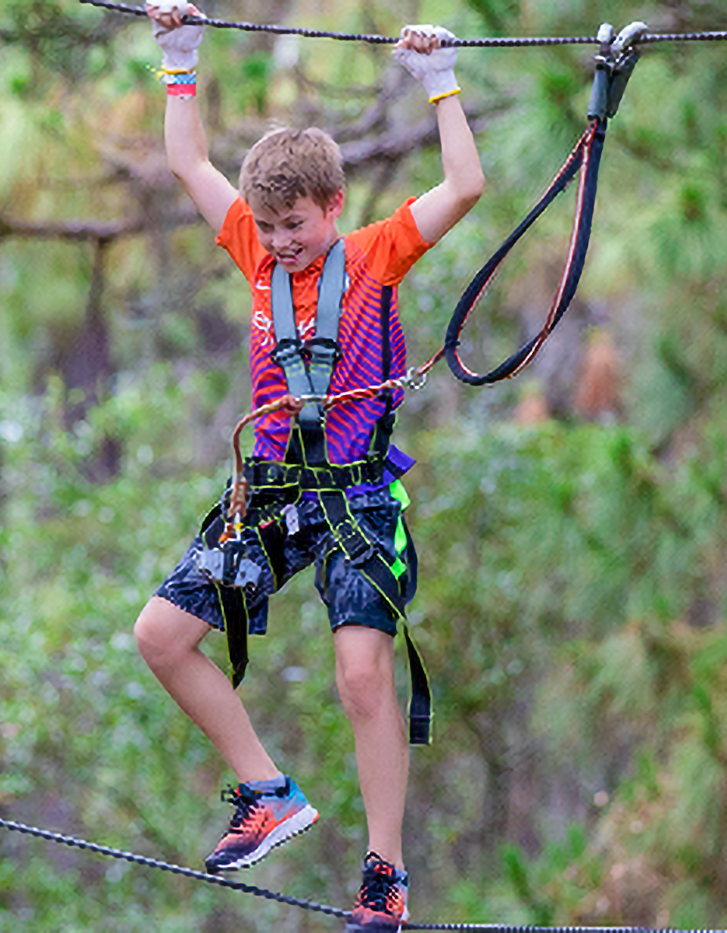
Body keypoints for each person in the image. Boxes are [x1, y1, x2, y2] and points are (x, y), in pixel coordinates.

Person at [133, 2, 482, 930]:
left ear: (333, 206)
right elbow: (186, 163)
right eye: (269, 226)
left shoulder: (374, 254)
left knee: (362, 676)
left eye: (295, 224)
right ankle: (265, 788)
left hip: (359, 500)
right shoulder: (250, 243)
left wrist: (439, 83)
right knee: (162, 636)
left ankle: (385, 872)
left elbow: (466, 186)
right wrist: (180, 55)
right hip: (274, 495)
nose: (280, 240)